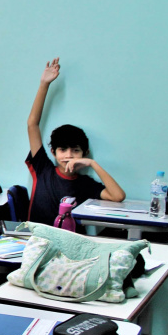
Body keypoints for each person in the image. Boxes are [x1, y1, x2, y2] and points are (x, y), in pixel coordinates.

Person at [26, 57, 125, 224]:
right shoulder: (43, 169)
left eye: (75, 150)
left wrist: (92, 164)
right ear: (53, 152)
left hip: (71, 243)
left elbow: (118, 196)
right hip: (38, 239)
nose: (69, 155)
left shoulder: (85, 184)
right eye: (63, 150)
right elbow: (32, 124)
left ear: (84, 153)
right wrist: (44, 84)